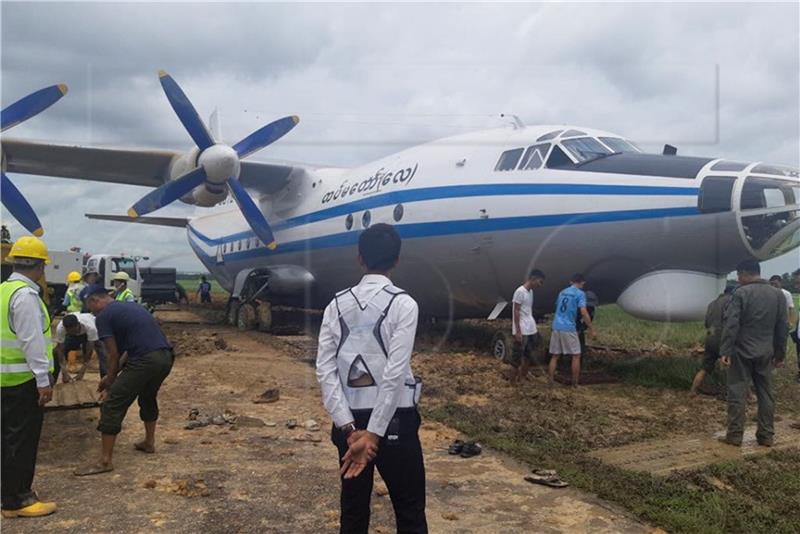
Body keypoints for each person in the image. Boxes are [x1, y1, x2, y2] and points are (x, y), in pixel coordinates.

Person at [316, 223, 427, 534]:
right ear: (396, 261)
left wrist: (350, 430)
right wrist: (374, 435)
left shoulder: (335, 305)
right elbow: (394, 374)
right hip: (395, 422)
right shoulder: (404, 304)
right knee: (409, 511)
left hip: (348, 423)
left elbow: (325, 369)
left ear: (360, 259)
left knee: (352, 513)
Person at [74, 285, 173, 476]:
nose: (91, 312)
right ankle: (149, 442)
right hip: (165, 357)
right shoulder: (131, 307)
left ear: (95, 300)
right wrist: (111, 376)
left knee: (112, 403)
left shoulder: (104, 316)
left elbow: (112, 354)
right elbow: (127, 351)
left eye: (89, 306)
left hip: (145, 359)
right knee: (147, 396)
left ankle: (105, 462)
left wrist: (110, 383)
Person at [0, 236, 57, 518]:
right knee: (21, 441)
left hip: (5, 380)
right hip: (22, 382)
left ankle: (8, 495)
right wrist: (43, 381)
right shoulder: (25, 296)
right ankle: (17, 500)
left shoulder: (4, 291)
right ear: (39, 267)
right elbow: (32, 341)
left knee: (7, 440)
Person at [718, 260, 788, 447]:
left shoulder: (741, 293)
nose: (738, 279)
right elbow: (783, 326)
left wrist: (725, 350)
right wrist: (780, 354)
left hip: (741, 352)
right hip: (766, 352)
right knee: (766, 394)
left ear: (745, 273)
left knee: (737, 392)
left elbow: (732, 324)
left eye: (739, 275)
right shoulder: (778, 294)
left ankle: (734, 436)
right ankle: (766, 436)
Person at [548, 274, 595, 387]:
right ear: (582, 283)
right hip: (568, 327)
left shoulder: (562, 292)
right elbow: (583, 312)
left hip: (556, 325)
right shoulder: (580, 294)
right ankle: (575, 383)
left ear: (571, 281)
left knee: (555, 356)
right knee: (576, 355)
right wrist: (591, 328)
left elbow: (558, 307)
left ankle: (550, 381)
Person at [690, 286, 734, 395]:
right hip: (723, 338)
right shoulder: (732, 302)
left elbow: (706, 323)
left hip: (710, 337)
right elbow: (731, 322)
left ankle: (693, 390)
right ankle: (739, 394)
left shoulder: (712, 303)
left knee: (705, 367)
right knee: (733, 367)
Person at [510, 269, 546, 384]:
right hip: (522, 329)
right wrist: (518, 331)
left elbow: (527, 310)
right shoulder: (520, 292)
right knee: (516, 359)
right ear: (533, 278)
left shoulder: (530, 292)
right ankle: (512, 382)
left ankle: (522, 378)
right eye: (539, 282)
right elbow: (516, 311)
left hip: (530, 329)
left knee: (528, 356)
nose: (539, 285)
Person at [54, 313, 107, 382]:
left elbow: (89, 350)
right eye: (69, 331)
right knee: (55, 353)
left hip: (94, 332)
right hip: (73, 337)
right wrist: (64, 372)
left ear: (78, 324)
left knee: (103, 353)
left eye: (73, 330)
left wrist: (82, 371)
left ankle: (105, 380)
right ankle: (53, 381)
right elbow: (60, 350)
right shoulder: (60, 328)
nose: (72, 332)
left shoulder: (90, 327)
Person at [577, 290, 599, 358]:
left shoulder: (591, 309)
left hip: (579, 327)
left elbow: (589, 319)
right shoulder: (576, 306)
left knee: (580, 349)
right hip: (569, 327)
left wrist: (582, 329)